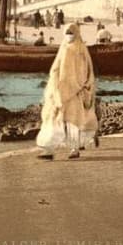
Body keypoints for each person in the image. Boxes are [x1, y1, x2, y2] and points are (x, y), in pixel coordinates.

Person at [36, 23, 98, 160]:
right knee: (54, 121)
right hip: (60, 92)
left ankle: (74, 149)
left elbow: (85, 71)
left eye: (71, 32)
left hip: (74, 93)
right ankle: (49, 150)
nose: (69, 35)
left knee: (72, 123)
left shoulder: (81, 49)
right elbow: (55, 68)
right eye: (67, 32)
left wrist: (79, 86)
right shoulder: (64, 48)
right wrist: (55, 84)